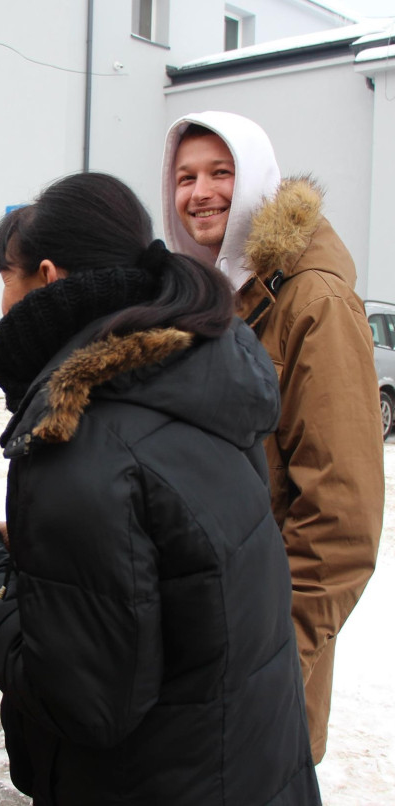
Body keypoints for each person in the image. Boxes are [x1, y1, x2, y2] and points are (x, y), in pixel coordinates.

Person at [0, 172, 321, 804]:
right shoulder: (197, 370)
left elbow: (84, 701)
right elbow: (169, 562)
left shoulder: (80, 436)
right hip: (248, 765)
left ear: (48, 278)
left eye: (6, 277)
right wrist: (39, 552)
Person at [162, 111, 383, 763]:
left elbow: (343, 521)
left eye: (220, 173)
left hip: (260, 669)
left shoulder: (314, 303)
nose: (199, 192)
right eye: (185, 177)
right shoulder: (198, 302)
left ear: (257, 178)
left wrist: (271, 652)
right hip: (190, 657)